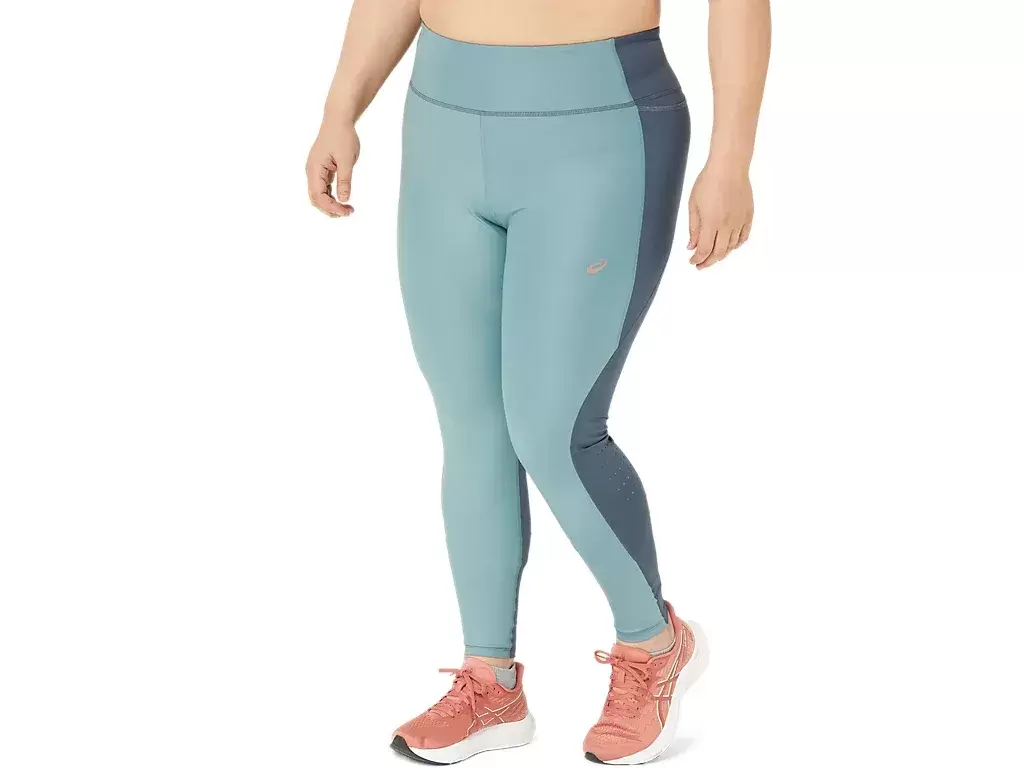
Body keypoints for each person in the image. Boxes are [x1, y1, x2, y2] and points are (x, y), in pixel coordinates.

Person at [306, 0, 769, 763]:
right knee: (474, 427)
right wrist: (339, 109)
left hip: (600, 126)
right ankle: (490, 682)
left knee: (553, 429)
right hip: (444, 126)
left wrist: (732, 158)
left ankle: (655, 643)